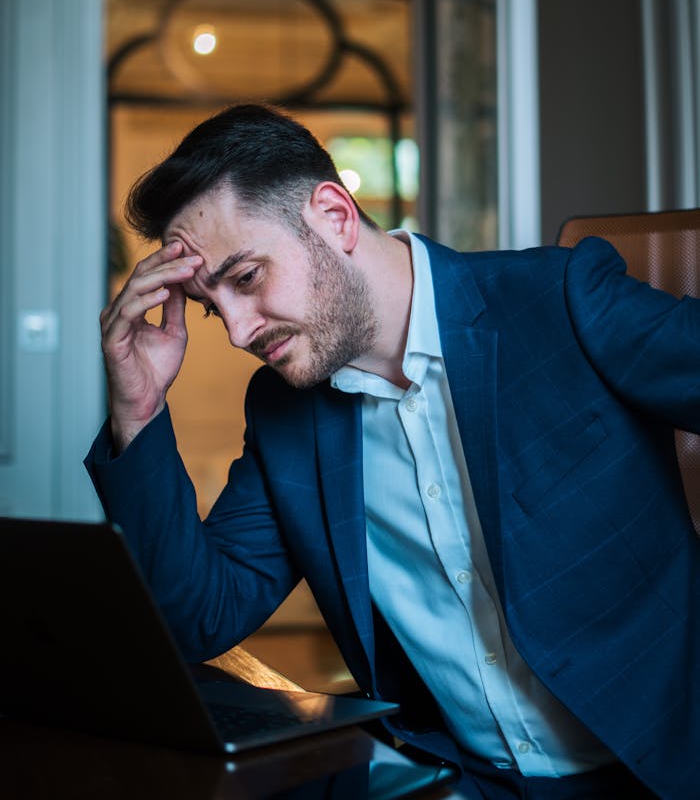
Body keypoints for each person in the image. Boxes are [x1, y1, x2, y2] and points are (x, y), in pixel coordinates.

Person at [86, 104, 700, 800]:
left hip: (663, 771)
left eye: (247, 278)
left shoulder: (557, 300)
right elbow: (198, 617)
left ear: (334, 216)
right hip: (459, 781)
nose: (236, 331)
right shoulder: (286, 412)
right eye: (210, 305)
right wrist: (139, 410)